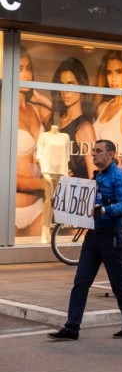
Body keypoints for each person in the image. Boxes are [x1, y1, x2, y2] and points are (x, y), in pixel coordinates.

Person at [47, 140, 122, 341]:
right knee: (80, 282)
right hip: (93, 235)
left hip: (111, 235)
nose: (94, 155)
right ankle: (72, 328)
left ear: (111, 154)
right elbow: (85, 201)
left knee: (118, 283)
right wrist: (61, 202)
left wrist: (105, 209)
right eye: (93, 151)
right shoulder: (96, 177)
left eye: (98, 151)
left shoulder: (120, 177)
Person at [16, 51, 46, 238]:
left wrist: (41, 97)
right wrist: (44, 183)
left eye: (29, 69)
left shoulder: (36, 109)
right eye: (19, 69)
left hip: (38, 207)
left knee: (46, 263)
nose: (26, 75)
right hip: (11, 208)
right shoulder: (4, 110)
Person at [53, 57, 96, 179]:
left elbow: (95, 179)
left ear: (82, 85)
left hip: (75, 195)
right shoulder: (56, 121)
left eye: (70, 84)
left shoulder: (85, 128)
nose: (64, 91)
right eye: (62, 85)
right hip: (52, 194)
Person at [93, 50, 122, 157]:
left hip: (116, 172)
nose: (113, 78)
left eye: (119, 72)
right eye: (109, 72)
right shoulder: (102, 107)